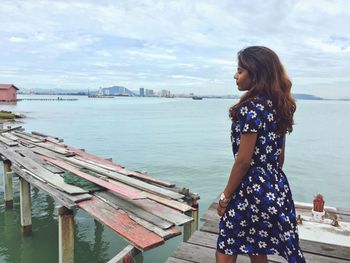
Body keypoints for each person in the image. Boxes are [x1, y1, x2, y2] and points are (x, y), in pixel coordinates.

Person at [216, 46, 306, 263]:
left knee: (226, 245)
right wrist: (267, 186)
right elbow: (280, 158)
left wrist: (225, 196)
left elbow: (243, 161)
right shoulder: (278, 107)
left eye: (240, 70)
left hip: (249, 187)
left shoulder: (251, 108)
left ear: (255, 74)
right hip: (274, 185)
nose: (235, 75)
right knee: (257, 245)